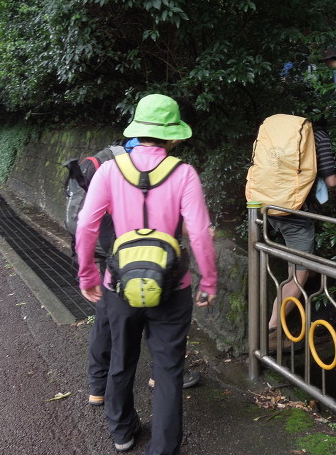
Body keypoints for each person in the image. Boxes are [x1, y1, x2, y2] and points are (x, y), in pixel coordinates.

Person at [76, 94, 217, 453]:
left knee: (122, 357)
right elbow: (199, 232)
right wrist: (209, 280)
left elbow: (86, 224)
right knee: (168, 368)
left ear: (137, 131)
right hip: (172, 285)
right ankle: (163, 447)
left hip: (119, 284)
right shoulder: (184, 173)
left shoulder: (109, 171)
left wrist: (88, 274)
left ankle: (122, 431)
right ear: (173, 136)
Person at [267, 124, 336, 353]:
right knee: (298, 276)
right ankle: (271, 332)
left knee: (302, 265)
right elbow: (332, 181)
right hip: (295, 214)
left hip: (272, 207)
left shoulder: (284, 136)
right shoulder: (319, 136)